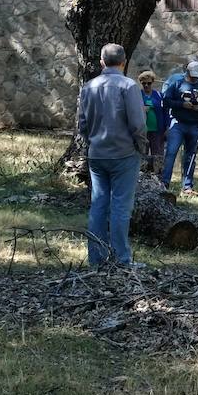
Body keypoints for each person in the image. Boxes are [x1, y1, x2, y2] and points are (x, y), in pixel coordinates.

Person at [78, 44, 146, 267]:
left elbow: (83, 124)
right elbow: (138, 123)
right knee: (120, 207)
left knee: (98, 205)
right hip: (124, 154)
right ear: (124, 62)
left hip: (97, 154)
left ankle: (96, 259)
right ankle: (121, 259)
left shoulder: (88, 86)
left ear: (101, 62)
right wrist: (141, 147)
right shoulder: (128, 86)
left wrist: (92, 142)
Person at [160, 60, 198, 192]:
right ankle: (164, 183)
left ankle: (187, 185)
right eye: (192, 75)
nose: (194, 78)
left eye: (197, 76)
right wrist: (181, 104)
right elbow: (166, 101)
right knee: (171, 152)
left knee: (191, 156)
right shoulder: (177, 84)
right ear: (187, 72)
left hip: (195, 125)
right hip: (178, 123)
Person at [136, 70, 167, 172]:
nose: (146, 85)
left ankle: (158, 175)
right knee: (142, 154)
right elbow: (133, 110)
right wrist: (142, 109)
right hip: (142, 130)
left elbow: (165, 111)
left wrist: (166, 127)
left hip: (157, 129)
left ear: (152, 82)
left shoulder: (158, 95)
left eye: (148, 83)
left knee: (157, 154)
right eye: (143, 83)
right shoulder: (137, 95)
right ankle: (142, 175)